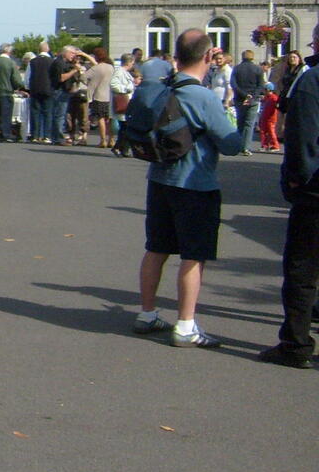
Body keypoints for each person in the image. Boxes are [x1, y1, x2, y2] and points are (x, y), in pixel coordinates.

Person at [131, 28, 243, 349]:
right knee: (194, 256)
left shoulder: (164, 88)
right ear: (208, 56)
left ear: (176, 56)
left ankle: (148, 312)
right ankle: (185, 324)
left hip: (160, 178)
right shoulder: (204, 97)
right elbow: (232, 144)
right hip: (196, 183)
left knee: (156, 248)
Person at [263, 24, 319, 368]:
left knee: (301, 269)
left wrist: (296, 181)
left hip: (315, 192)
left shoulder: (311, 80)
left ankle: (296, 344)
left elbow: (303, 139)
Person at [230, 49, 265, 156]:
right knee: (249, 124)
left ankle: (237, 145)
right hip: (253, 99)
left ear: (242, 57)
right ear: (252, 57)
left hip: (239, 98)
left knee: (240, 123)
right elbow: (261, 85)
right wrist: (252, 95)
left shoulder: (236, 68)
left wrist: (244, 95)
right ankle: (245, 147)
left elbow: (233, 84)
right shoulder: (258, 69)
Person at [83, 48, 115, 148]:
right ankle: (112, 140)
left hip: (99, 95)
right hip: (110, 95)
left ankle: (103, 140)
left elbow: (83, 77)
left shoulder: (96, 68)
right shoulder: (111, 67)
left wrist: (89, 83)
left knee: (101, 118)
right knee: (109, 119)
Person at [27, 42, 54, 142]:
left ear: (39, 50)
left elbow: (28, 77)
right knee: (47, 113)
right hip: (48, 89)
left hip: (35, 90)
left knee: (35, 113)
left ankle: (35, 135)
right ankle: (46, 135)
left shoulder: (32, 61)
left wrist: (28, 88)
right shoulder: (52, 61)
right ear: (48, 49)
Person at [110, 54, 136, 155]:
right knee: (126, 127)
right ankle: (118, 147)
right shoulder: (119, 72)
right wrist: (126, 89)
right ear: (129, 62)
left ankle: (123, 149)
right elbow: (113, 84)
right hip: (122, 102)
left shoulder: (124, 72)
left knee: (125, 127)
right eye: (132, 63)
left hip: (126, 101)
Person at [258, 83, 281, 152]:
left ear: (268, 90)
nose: (264, 92)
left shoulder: (274, 98)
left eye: (265, 90)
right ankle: (265, 145)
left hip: (271, 117)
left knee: (271, 132)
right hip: (265, 117)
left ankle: (275, 145)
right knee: (263, 131)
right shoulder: (267, 97)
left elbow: (277, 106)